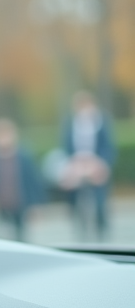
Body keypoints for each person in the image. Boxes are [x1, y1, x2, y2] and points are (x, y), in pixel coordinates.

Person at [58, 90, 117, 239]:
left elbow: (108, 147)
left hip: (96, 165)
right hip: (77, 165)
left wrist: (100, 165)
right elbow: (66, 147)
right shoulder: (70, 124)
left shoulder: (101, 122)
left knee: (99, 198)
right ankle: (80, 227)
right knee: (76, 196)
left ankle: (101, 227)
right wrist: (73, 165)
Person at [0, 117, 44, 240]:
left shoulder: (24, 155)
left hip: (20, 204)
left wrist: (35, 205)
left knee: (22, 237)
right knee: (0, 236)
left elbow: (34, 181)